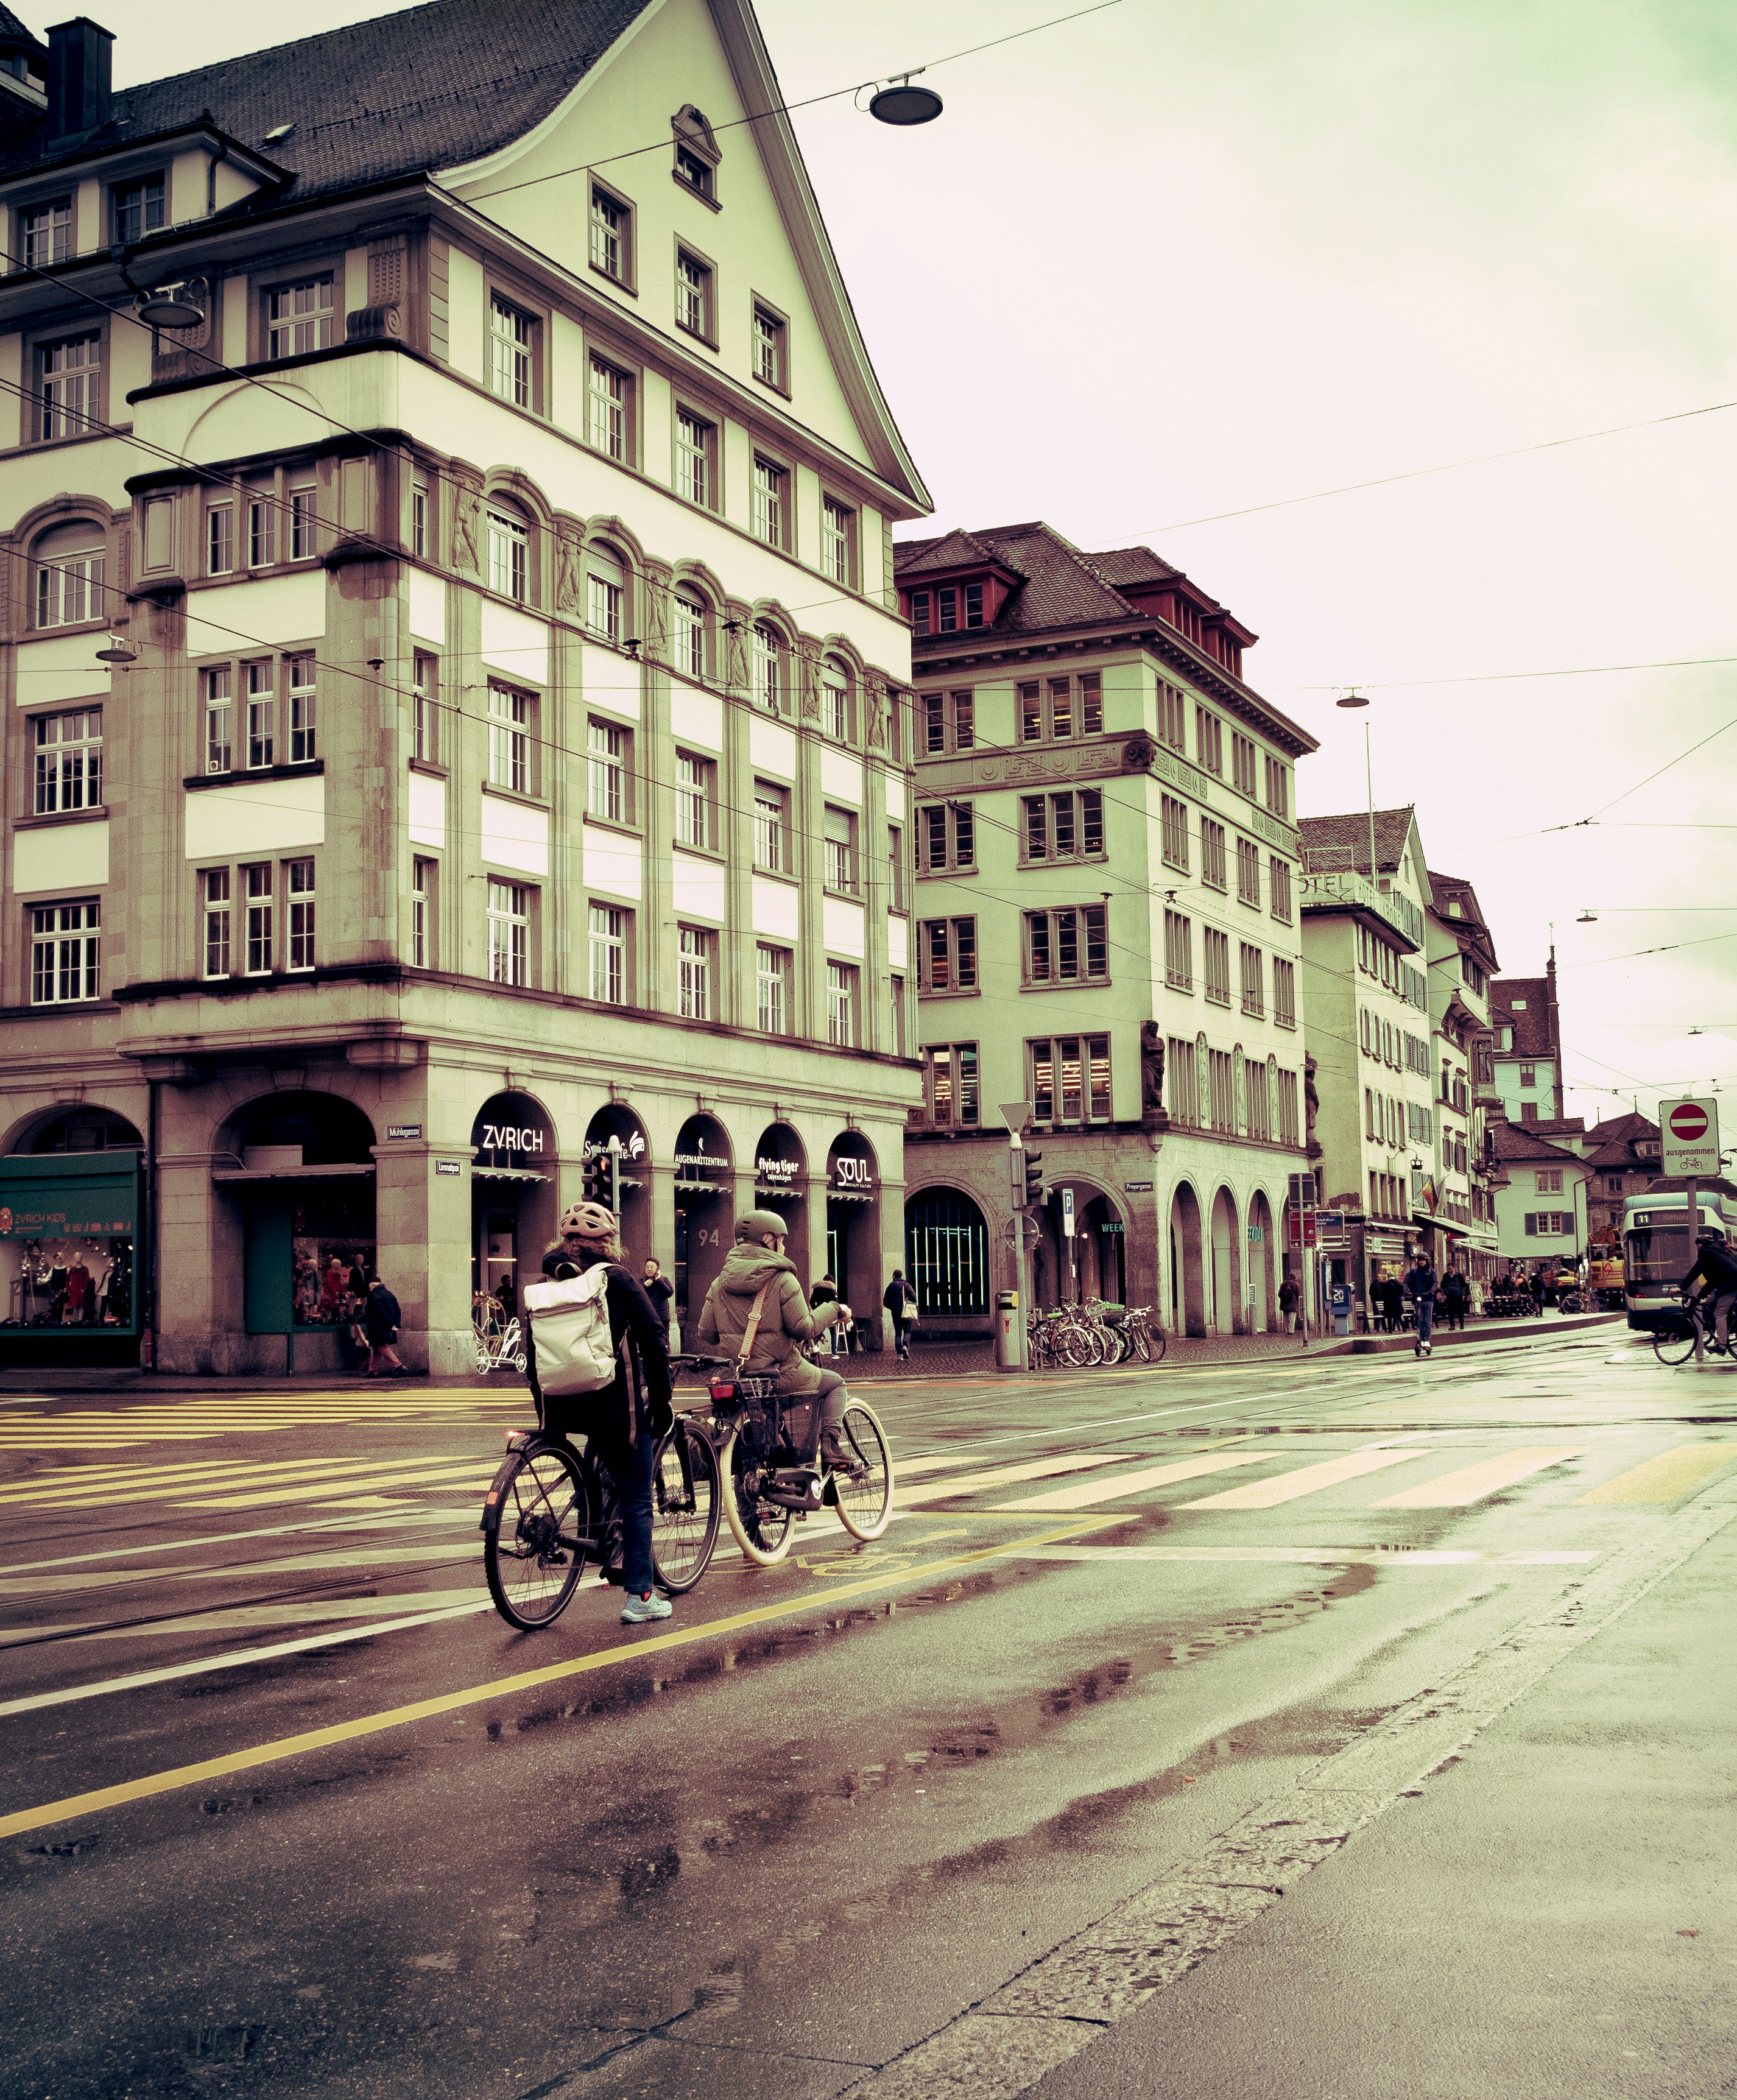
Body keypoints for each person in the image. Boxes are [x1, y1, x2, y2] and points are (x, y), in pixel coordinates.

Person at [529, 1200, 674, 1624]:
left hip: (560, 1404)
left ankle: (600, 1545)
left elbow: (534, 1356)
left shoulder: (544, 1285)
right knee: (636, 1495)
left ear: (564, 1242)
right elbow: (653, 1339)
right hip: (614, 1405)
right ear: (608, 1242)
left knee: (595, 1468)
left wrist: (546, 1417)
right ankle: (640, 1596)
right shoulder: (617, 1279)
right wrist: (662, 1402)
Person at [697, 1211, 854, 1466]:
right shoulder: (783, 1280)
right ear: (768, 1239)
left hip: (739, 1377)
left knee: (750, 1456)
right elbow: (804, 1328)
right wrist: (834, 1308)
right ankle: (831, 1447)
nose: (785, 1245)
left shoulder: (719, 1283)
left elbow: (707, 1332)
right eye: (782, 1239)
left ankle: (751, 1505)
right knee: (835, 1384)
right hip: (780, 1374)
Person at [1678, 1228, 1737, 1355]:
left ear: (1701, 1245)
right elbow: (1713, 1281)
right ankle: (1729, 1321)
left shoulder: (1707, 1253)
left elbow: (1695, 1271)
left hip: (1732, 1286)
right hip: (1727, 1285)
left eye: (1697, 1245)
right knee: (1709, 1301)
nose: (1697, 1248)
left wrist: (1682, 1288)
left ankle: (1721, 1346)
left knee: (1720, 1313)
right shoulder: (1714, 1255)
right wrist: (1698, 1298)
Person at [362, 1271, 409, 1376]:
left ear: (373, 1285)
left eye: (370, 1287)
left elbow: (379, 1311)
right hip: (387, 1326)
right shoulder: (389, 1294)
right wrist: (395, 1324)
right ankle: (372, 1371)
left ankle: (398, 1366)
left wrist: (389, 1324)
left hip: (378, 1327)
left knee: (382, 1347)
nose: (370, 1290)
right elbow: (398, 1310)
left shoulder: (375, 1295)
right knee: (376, 1347)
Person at [1404, 1251, 1439, 1357]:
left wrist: (1432, 1291)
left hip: (1428, 1298)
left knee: (1427, 1321)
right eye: (1420, 1260)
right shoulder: (1414, 1272)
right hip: (1417, 1298)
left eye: (1424, 1260)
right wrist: (1406, 1290)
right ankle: (1420, 1337)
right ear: (1418, 1261)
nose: (1422, 1262)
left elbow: (1435, 1283)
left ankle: (1426, 1340)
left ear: (1427, 1261)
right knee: (1419, 1319)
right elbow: (1406, 1282)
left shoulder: (1431, 1272)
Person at [884, 1270, 918, 1360]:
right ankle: (905, 1346)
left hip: (895, 1313)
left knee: (898, 1332)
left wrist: (893, 1307)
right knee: (907, 1331)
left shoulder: (890, 1287)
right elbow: (914, 1297)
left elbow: (885, 1302)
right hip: (905, 1312)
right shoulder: (907, 1286)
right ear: (901, 1275)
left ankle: (899, 1353)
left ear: (894, 1276)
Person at [641, 1257, 674, 1337]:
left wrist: (659, 1280)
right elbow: (636, 1294)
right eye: (647, 1267)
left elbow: (669, 1293)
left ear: (658, 1269)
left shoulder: (664, 1280)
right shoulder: (641, 1281)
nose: (649, 1269)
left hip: (662, 1318)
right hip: (647, 1317)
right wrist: (645, 1285)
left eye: (652, 1267)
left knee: (664, 1343)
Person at [809, 1272, 839, 1355]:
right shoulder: (831, 1290)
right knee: (833, 1333)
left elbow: (811, 1301)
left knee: (817, 1332)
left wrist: (816, 1309)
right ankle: (834, 1353)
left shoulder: (817, 1289)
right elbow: (836, 1303)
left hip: (820, 1314)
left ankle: (812, 1350)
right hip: (829, 1314)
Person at [1278, 1270, 1306, 1344]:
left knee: (1286, 1319)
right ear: (1294, 1278)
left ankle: (1287, 1331)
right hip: (1292, 1304)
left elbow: (1279, 1294)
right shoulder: (1296, 1285)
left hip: (1284, 1304)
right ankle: (1291, 1332)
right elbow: (1298, 1294)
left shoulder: (1283, 1283)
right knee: (1291, 1319)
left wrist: (1284, 1298)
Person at [1440, 1266, 1470, 1332]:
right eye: (1448, 1269)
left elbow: (1463, 1285)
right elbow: (1443, 1285)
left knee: (1460, 1310)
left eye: (1450, 1268)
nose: (1449, 1270)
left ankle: (1461, 1324)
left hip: (1458, 1295)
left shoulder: (1459, 1275)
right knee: (1450, 1310)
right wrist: (1444, 1293)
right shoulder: (1445, 1275)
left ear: (1454, 1268)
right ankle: (1452, 1325)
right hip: (1449, 1295)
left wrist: (1463, 1294)